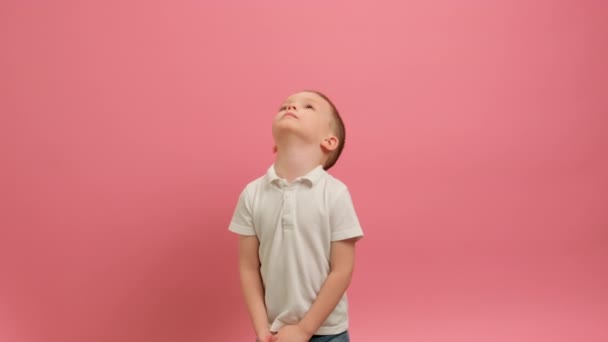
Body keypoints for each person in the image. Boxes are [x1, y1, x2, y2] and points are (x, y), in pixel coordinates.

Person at [228, 90, 364, 342]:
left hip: (327, 333)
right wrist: (261, 329)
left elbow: (342, 270)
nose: (291, 107)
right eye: (284, 106)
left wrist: (304, 330)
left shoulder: (335, 193)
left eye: (308, 106)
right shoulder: (252, 194)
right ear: (275, 145)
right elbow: (248, 268)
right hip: (273, 334)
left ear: (329, 141)